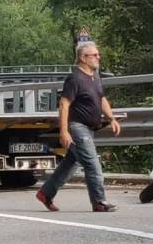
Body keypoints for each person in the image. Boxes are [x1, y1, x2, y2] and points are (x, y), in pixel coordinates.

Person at [36, 41, 121, 212]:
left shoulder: (95, 76)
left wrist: (111, 118)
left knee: (71, 163)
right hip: (77, 127)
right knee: (92, 163)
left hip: (89, 128)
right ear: (83, 58)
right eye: (94, 55)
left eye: (98, 54)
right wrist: (64, 131)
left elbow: (101, 99)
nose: (98, 57)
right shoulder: (75, 78)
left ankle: (46, 193)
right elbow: (64, 104)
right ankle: (99, 202)